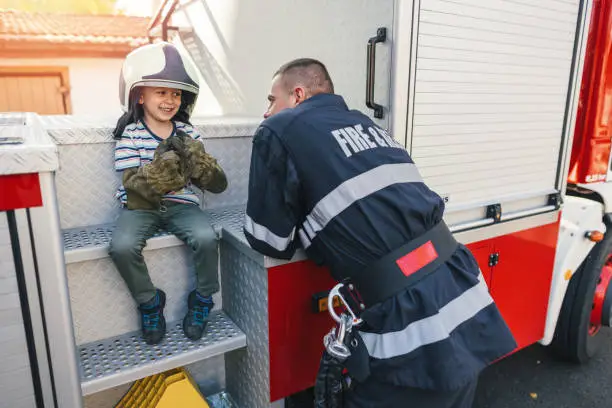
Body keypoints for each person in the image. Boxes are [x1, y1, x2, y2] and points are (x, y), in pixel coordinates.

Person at [244, 58, 517, 407]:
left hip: (409, 322)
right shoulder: (366, 125)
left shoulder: (280, 129)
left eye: (271, 99)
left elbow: (269, 240)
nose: (267, 112)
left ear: (297, 95)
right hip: (459, 283)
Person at [108, 42, 228, 345]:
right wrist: (158, 176)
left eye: (176, 93)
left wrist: (204, 169)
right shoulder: (130, 133)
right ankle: (150, 303)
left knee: (205, 237)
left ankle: (202, 300)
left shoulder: (190, 134)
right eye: (161, 92)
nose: (170, 99)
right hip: (140, 208)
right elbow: (130, 187)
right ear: (140, 94)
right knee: (121, 247)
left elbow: (215, 184)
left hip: (182, 205)